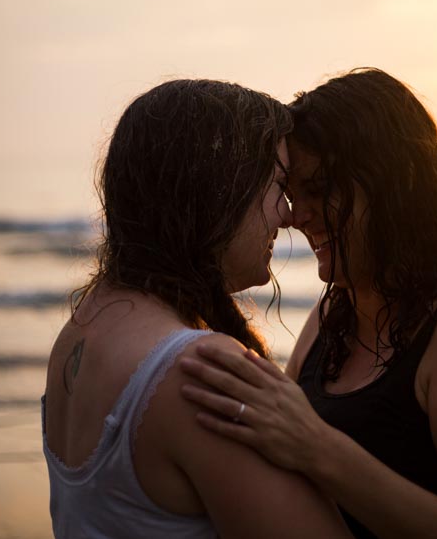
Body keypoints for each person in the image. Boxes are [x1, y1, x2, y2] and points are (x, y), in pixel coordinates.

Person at [179, 68, 437, 538]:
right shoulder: (331, 316)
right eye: (293, 194)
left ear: (396, 184)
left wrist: (321, 449)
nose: (298, 216)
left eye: (319, 190)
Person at [42, 79, 352, 538]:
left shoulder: (78, 332)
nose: (288, 214)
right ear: (220, 191)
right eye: (279, 186)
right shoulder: (201, 372)